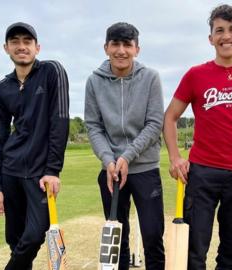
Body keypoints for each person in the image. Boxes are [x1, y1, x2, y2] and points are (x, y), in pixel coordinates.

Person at [163, 4, 232, 270]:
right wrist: (175, 157)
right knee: (193, 251)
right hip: (201, 173)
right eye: (220, 30)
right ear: (210, 38)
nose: (227, 36)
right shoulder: (195, 75)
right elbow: (170, 117)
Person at [84, 22, 165, 270]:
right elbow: (93, 125)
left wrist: (127, 156)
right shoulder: (94, 81)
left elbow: (154, 123)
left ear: (136, 49)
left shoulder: (150, 77)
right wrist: (109, 159)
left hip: (145, 169)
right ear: (106, 47)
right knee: (117, 239)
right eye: (115, 44)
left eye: (127, 45)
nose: (121, 51)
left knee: (153, 236)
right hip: (110, 172)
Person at [0, 22, 69, 270]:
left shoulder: (52, 71)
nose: (21, 46)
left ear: (37, 47)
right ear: (6, 48)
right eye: (15, 42)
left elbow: (60, 120)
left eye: (27, 41)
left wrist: (53, 170)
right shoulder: (2, 88)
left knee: (34, 235)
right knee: (14, 240)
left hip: (39, 174)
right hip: (11, 170)